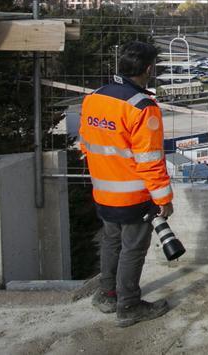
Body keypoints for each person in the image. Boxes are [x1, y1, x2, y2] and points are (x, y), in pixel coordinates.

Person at [79, 40, 173, 327]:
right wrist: (163, 199)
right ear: (147, 69)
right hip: (133, 196)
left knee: (110, 242)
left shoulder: (95, 97)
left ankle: (107, 294)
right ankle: (129, 304)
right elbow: (150, 160)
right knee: (133, 248)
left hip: (103, 190)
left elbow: (86, 144)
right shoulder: (142, 107)